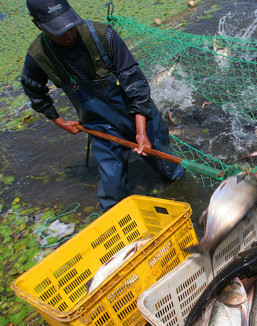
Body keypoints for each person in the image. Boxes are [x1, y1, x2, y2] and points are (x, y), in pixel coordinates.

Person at [21, 0, 184, 211]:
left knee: (168, 167)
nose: (67, 33)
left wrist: (141, 132)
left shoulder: (103, 36)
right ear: (38, 24)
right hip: (100, 124)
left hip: (138, 114)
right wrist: (60, 121)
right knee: (112, 184)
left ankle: (183, 197)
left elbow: (135, 83)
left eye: (69, 25)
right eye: (58, 31)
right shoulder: (38, 56)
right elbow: (33, 88)